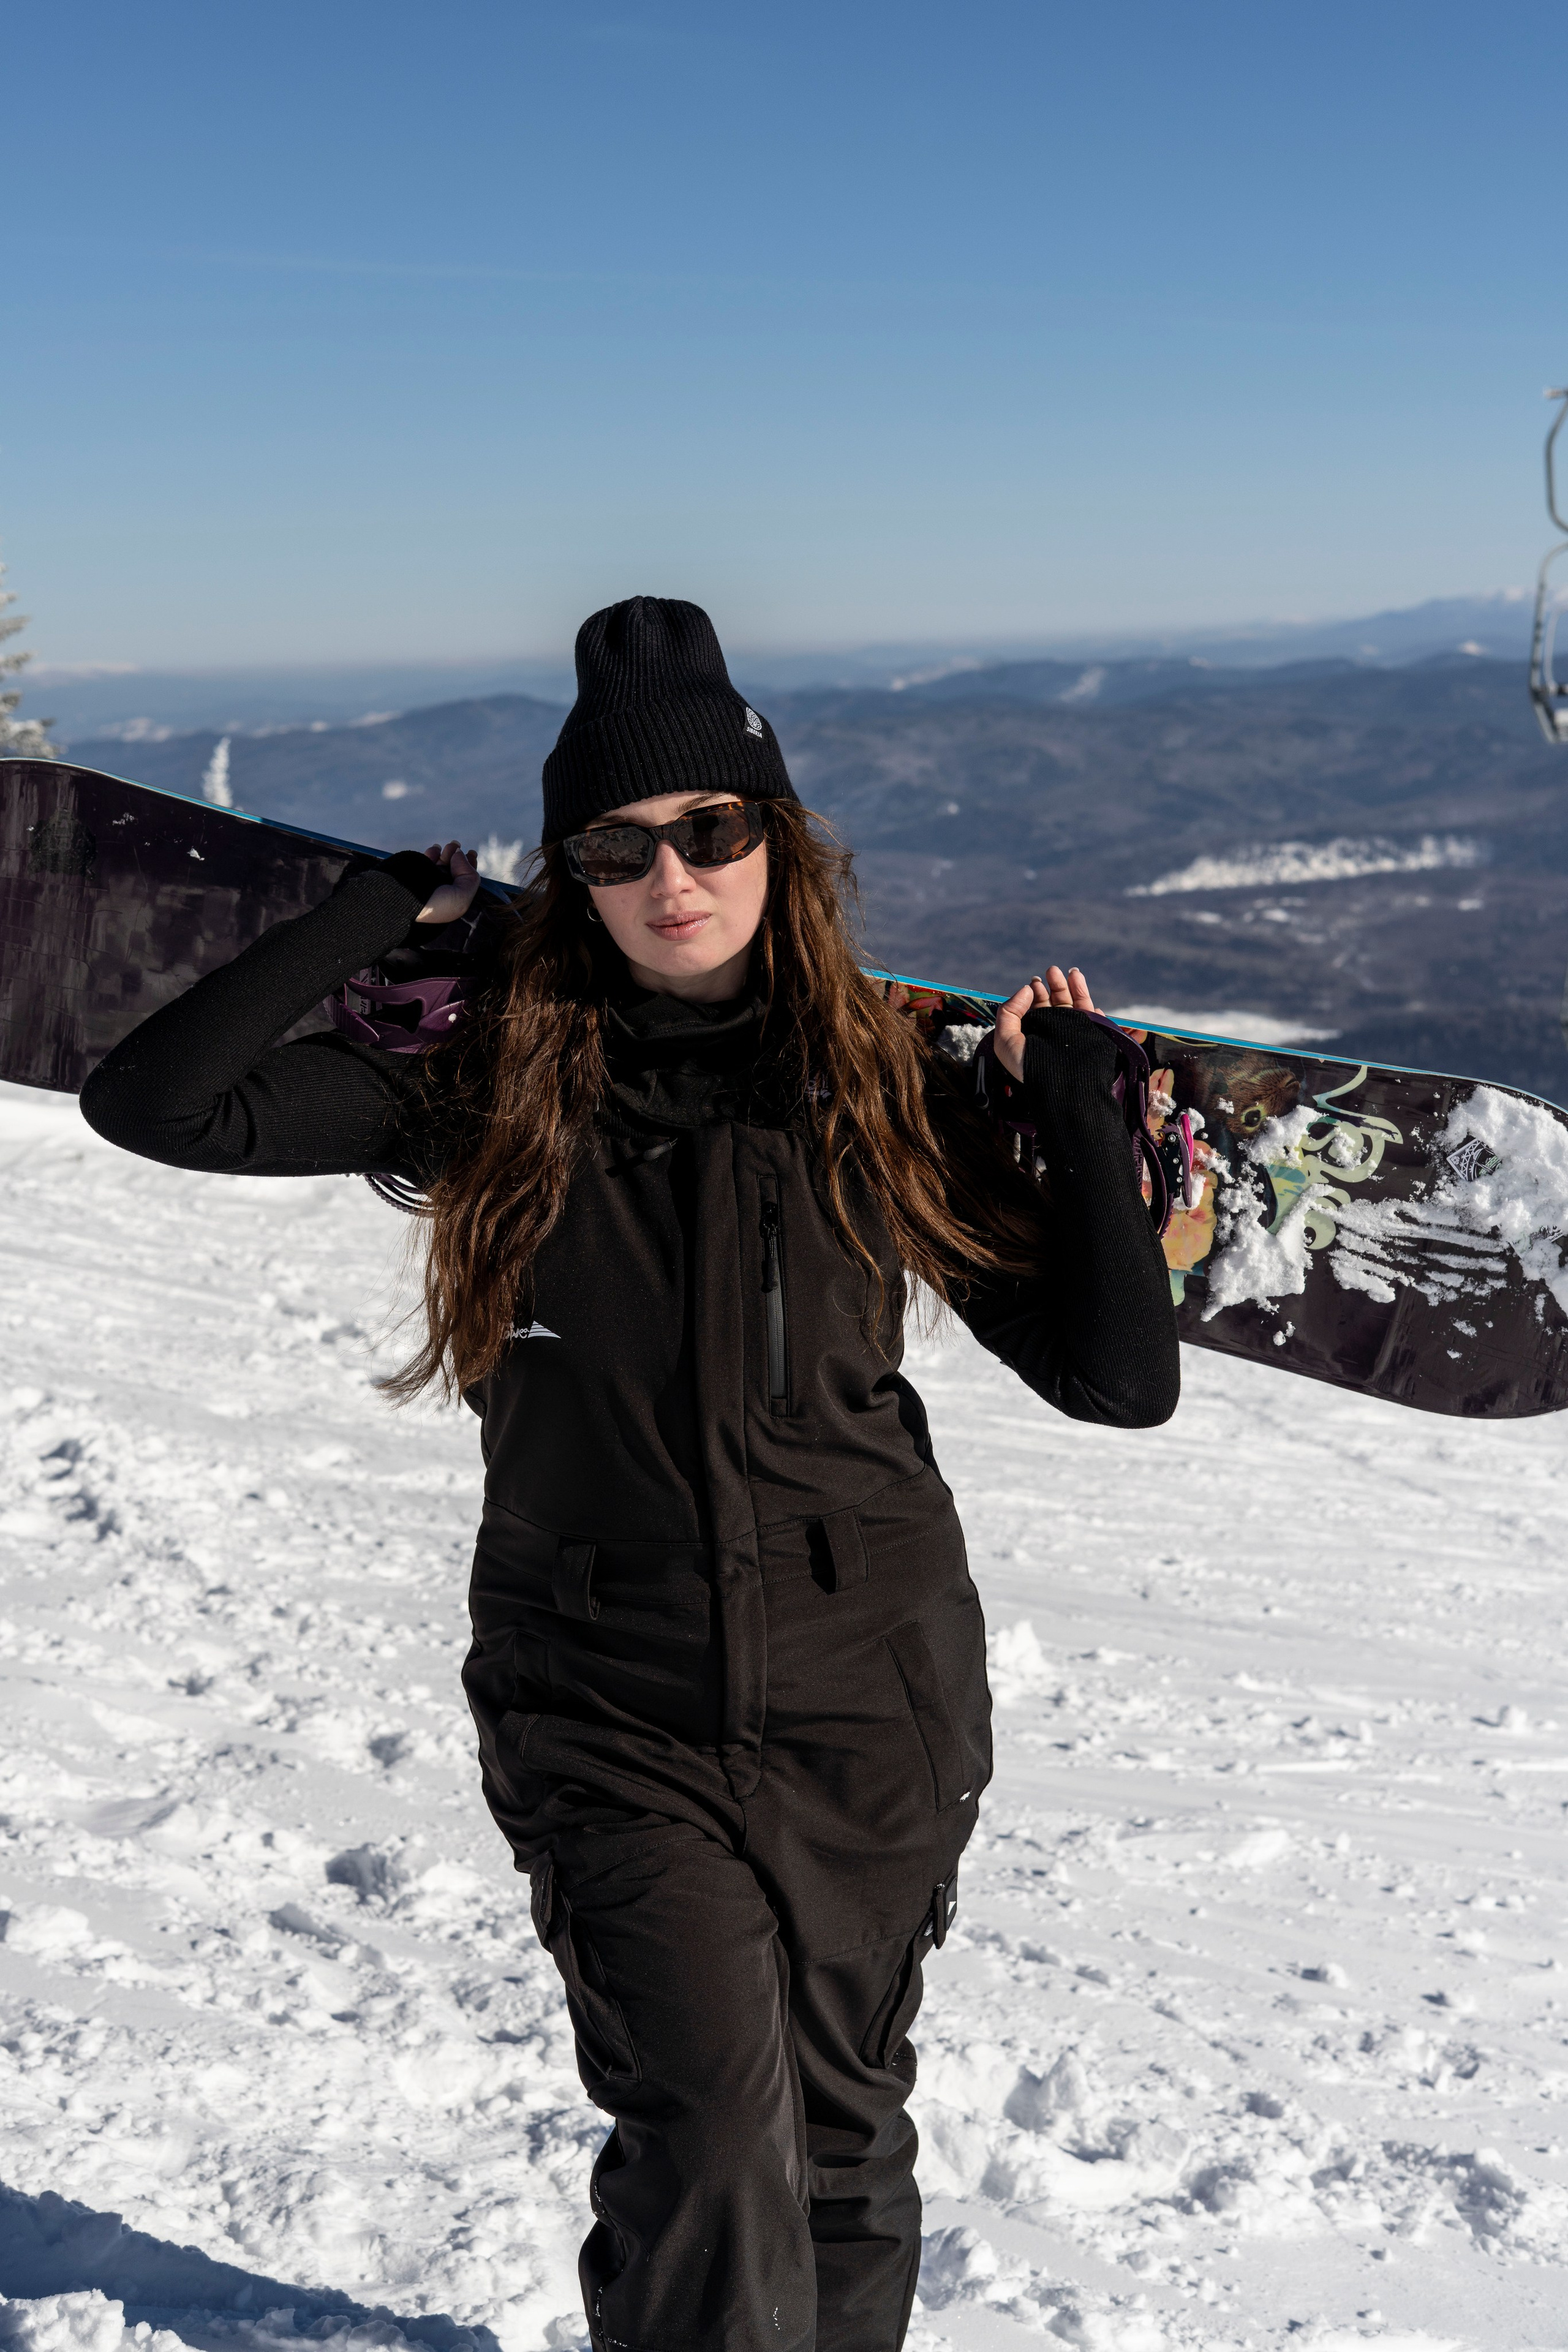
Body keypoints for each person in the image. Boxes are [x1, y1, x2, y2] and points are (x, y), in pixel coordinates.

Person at [80, 597, 1179, 2352]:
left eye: (710, 829)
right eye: (614, 846)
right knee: (713, 2143)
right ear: (570, 876)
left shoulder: (881, 1086)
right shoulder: (487, 1087)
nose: (672, 874)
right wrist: (377, 908)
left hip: (871, 1694)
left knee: (840, 2137)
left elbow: (1118, 1381)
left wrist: (1075, 1119)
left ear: (778, 841)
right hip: (604, 1697)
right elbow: (157, 1105)